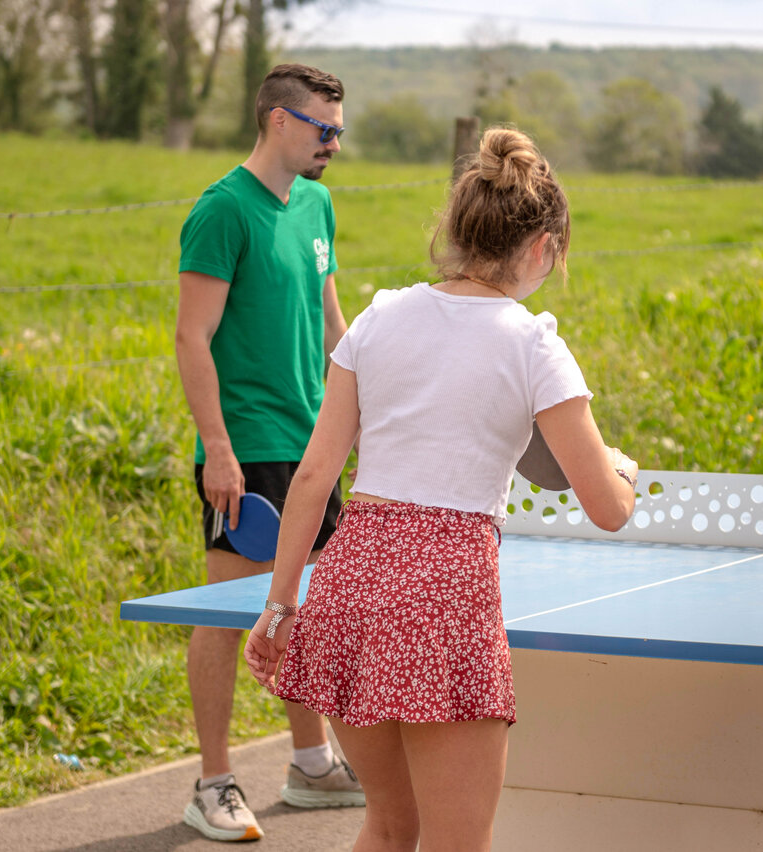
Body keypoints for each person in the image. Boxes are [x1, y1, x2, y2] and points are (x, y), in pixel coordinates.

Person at [243, 126, 639, 852]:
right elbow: (608, 509)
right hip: (445, 591)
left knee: (390, 828)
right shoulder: (535, 344)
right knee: (458, 841)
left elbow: (314, 477)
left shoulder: (378, 316)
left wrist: (279, 605)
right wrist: (623, 469)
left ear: (456, 232)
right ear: (542, 248)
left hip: (350, 579)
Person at [174, 63, 365, 842]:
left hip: (311, 442)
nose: (335, 145)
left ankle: (311, 765)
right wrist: (218, 449)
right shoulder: (222, 211)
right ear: (280, 120)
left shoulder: (317, 204)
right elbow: (192, 337)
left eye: (340, 132)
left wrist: (366, 414)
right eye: (325, 130)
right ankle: (212, 784)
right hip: (247, 448)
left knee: (310, 606)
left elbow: (331, 323)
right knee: (227, 617)